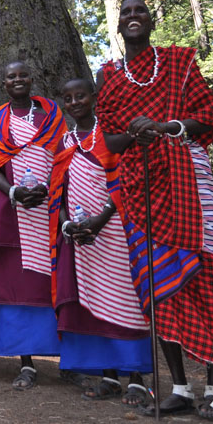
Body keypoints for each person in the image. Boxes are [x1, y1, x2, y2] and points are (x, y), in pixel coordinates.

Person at [96, 0, 213, 420]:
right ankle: (180, 388)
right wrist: (135, 133)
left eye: (140, 11)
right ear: (118, 24)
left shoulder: (180, 64)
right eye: (125, 13)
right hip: (139, 187)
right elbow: (109, 142)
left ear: (152, 18)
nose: (132, 18)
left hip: (188, 181)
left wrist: (167, 127)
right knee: (157, 286)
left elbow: (210, 116)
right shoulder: (109, 75)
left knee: (208, 278)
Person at [49, 78, 151, 405]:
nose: (75, 102)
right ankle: (108, 375)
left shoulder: (109, 137)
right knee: (93, 303)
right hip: (81, 239)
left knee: (125, 302)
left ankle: (135, 377)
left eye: (81, 96)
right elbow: (58, 192)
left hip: (114, 232)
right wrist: (67, 225)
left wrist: (101, 219)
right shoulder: (64, 142)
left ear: (93, 99)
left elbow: (124, 181)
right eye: (68, 98)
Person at [0, 61, 63, 389]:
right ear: (4, 82)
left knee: (50, 281)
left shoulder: (51, 116)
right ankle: (25, 362)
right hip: (8, 207)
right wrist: (13, 190)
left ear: (32, 78)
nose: (18, 80)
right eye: (11, 76)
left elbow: (65, 157)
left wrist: (47, 187)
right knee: (13, 282)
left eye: (23, 75)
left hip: (46, 208)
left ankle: (68, 356)